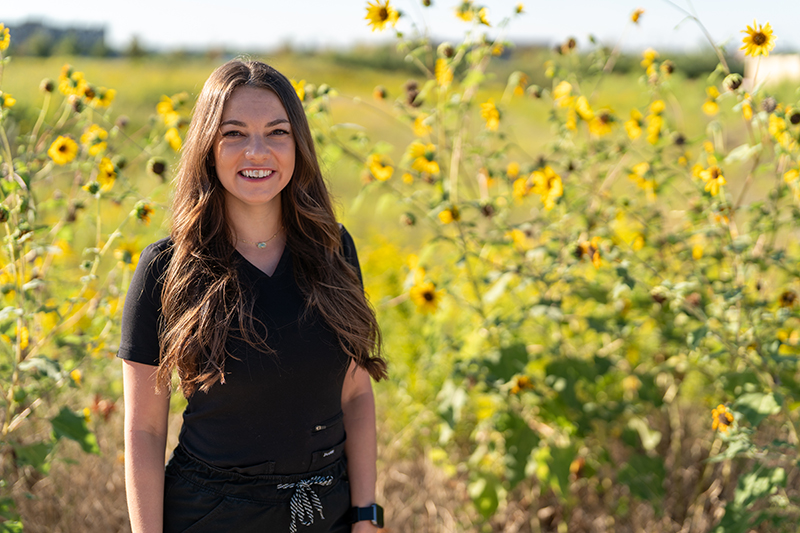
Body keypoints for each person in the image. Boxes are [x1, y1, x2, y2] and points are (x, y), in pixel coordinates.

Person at [119, 59, 387, 533]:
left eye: (277, 132)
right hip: (211, 515)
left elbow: (356, 391)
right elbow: (145, 431)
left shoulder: (333, 249)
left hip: (324, 511)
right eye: (234, 133)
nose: (257, 152)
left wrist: (366, 515)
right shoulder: (166, 269)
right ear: (207, 147)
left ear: (298, 146)